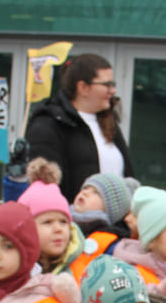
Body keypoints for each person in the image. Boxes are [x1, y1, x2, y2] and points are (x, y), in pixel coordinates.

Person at [26, 53, 134, 202]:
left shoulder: (108, 123)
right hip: (73, 222)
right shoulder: (48, 126)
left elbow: (128, 176)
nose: (113, 90)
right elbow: (44, 190)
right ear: (83, 87)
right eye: (106, 84)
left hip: (113, 223)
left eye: (113, 84)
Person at [17, 158, 82, 275]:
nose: (58, 229)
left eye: (63, 222)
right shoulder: (14, 270)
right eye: (47, 222)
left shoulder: (82, 266)